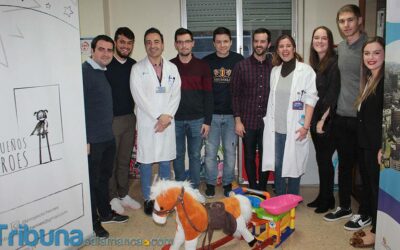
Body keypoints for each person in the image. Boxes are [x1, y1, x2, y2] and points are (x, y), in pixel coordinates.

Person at [323, 5, 371, 232]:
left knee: (365, 168)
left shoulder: (370, 47)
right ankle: (344, 206)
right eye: (342, 21)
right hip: (342, 117)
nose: (346, 25)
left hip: (362, 119)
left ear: (359, 20)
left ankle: (366, 213)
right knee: (344, 166)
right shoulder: (340, 48)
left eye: (350, 20)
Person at [130, 28, 181, 215]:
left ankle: (165, 197)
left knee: (166, 162)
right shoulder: (137, 69)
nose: (153, 45)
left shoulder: (172, 68)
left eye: (156, 41)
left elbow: (176, 94)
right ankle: (148, 198)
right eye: (149, 42)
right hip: (148, 123)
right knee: (146, 162)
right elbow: (139, 97)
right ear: (145, 45)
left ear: (163, 44)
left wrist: (167, 117)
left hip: (167, 122)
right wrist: (159, 116)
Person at [82, 35, 129, 238]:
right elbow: (78, 108)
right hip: (92, 141)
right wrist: (84, 139)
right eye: (101, 49)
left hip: (107, 136)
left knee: (103, 179)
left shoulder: (101, 72)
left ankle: (105, 213)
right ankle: (92, 222)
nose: (106, 53)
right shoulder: (84, 73)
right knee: (92, 182)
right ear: (92, 50)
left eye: (110, 50)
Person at [262, 34, 318, 195]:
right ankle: (280, 195)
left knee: (294, 163)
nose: (285, 49)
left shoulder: (305, 70)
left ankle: (293, 197)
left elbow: (311, 100)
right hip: (277, 127)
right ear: (277, 50)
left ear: (294, 48)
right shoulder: (275, 71)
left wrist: (305, 127)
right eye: (281, 46)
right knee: (279, 164)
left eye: (288, 46)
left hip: (296, 126)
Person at [349, 36, 384, 248]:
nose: (371, 57)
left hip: (377, 147)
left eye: (376, 53)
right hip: (365, 144)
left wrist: (384, 146)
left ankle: (377, 232)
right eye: (367, 53)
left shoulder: (387, 82)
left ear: (385, 54)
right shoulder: (370, 78)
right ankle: (373, 224)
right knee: (370, 188)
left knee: (377, 189)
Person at [170, 28, 213, 196]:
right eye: (180, 42)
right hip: (175, 120)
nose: (184, 45)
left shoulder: (203, 66)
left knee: (195, 155)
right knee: (178, 155)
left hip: (197, 119)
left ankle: (194, 189)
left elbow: (209, 95)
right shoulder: (170, 66)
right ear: (175, 45)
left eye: (187, 41)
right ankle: (182, 189)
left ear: (193, 43)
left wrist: (207, 121)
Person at [203, 27, 244, 197]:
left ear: (231, 42)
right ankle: (211, 183)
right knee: (210, 152)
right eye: (218, 42)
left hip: (231, 115)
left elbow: (243, 89)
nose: (222, 45)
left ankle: (227, 183)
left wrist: (239, 118)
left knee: (229, 151)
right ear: (214, 43)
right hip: (211, 115)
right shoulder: (206, 62)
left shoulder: (239, 61)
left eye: (225, 41)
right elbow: (203, 91)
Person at [105, 27, 141, 214]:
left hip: (129, 117)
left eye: (129, 43)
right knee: (111, 160)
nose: (125, 46)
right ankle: (111, 197)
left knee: (124, 159)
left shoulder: (134, 66)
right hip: (111, 120)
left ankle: (123, 193)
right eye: (122, 42)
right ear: (115, 42)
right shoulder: (106, 64)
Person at [231, 28, 272, 191]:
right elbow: (234, 95)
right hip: (247, 120)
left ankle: (262, 188)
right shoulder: (241, 66)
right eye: (256, 41)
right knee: (248, 156)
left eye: (263, 41)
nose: (259, 44)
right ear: (252, 42)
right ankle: (253, 188)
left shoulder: (274, 67)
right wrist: (238, 121)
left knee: (265, 156)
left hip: (268, 122)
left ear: (268, 44)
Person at [307, 26, 340, 213]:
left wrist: (322, 121)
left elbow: (332, 95)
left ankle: (328, 200)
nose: (319, 41)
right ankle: (323, 196)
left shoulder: (334, 63)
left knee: (325, 160)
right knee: (322, 160)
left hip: (327, 121)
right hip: (316, 119)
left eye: (324, 38)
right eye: (316, 37)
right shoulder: (315, 64)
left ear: (330, 41)